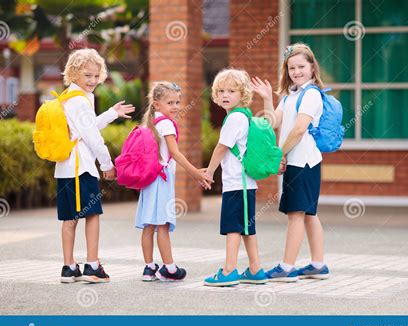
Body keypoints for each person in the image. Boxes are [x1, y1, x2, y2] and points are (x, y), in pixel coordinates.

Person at [252, 43, 330, 282]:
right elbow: (274, 121)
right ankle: (318, 264)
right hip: (297, 161)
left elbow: (298, 130)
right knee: (307, 214)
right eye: (291, 67)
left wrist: (279, 154)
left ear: (312, 67)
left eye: (301, 66)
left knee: (296, 214)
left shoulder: (312, 94)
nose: (296, 71)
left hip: (303, 162)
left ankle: (286, 268)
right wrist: (267, 99)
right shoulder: (290, 95)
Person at [58, 48, 135, 283]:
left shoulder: (69, 97)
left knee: (69, 218)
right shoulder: (80, 101)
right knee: (92, 215)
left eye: (95, 75)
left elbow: (86, 128)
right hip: (82, 168)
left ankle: (69, 267)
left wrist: (112, 113)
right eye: (87, 75)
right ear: (73, 73)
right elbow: (91, 136)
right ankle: (92, 266)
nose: (92, 80)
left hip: (64, 168)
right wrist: (106, 164)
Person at [135, 81, 212, 282]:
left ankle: (149, 268)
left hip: (149, 180)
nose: (176, 106)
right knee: (162, 225)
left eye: (178, 102)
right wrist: (196, 172)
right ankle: (169, 269)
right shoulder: (166, 124)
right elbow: (175, 154)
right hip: (162, 179)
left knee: (149, 225)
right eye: (170, 102)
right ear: (157, 104)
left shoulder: (151, 122)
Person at [203, 69, 267, 287]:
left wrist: (210, 171)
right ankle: (256, 269)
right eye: (221, 91)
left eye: (231, 90)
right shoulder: (244, 116)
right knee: (246, 228)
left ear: (243, 94)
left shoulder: (235, 118)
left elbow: (222, 147)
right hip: (245, 184)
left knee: (233, 227)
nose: (225, 95)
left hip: (236, 184)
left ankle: (229, 270)